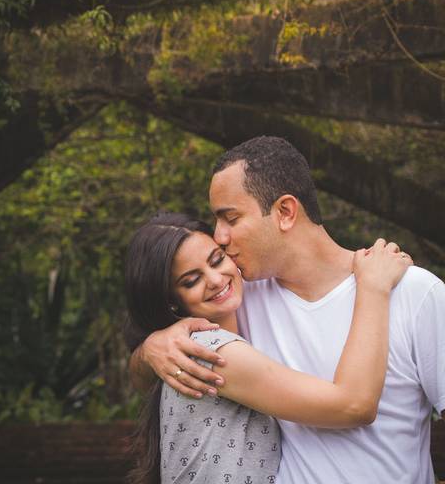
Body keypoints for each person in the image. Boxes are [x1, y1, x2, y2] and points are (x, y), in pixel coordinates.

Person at [129, 136, 445, 483]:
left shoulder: (414, 292)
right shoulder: (236, 299)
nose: (218, 237)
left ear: (285, 212)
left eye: (230, 218)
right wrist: (152, 348)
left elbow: (354, 404)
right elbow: (153, 379)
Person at [123, 211, 410, 484]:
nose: (215, 279)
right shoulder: (211, 350)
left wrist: (148, 348)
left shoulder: (185, 346)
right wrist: (373, 286)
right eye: (192, 280)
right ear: (171, 301)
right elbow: (353, 405)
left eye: (216, 259)